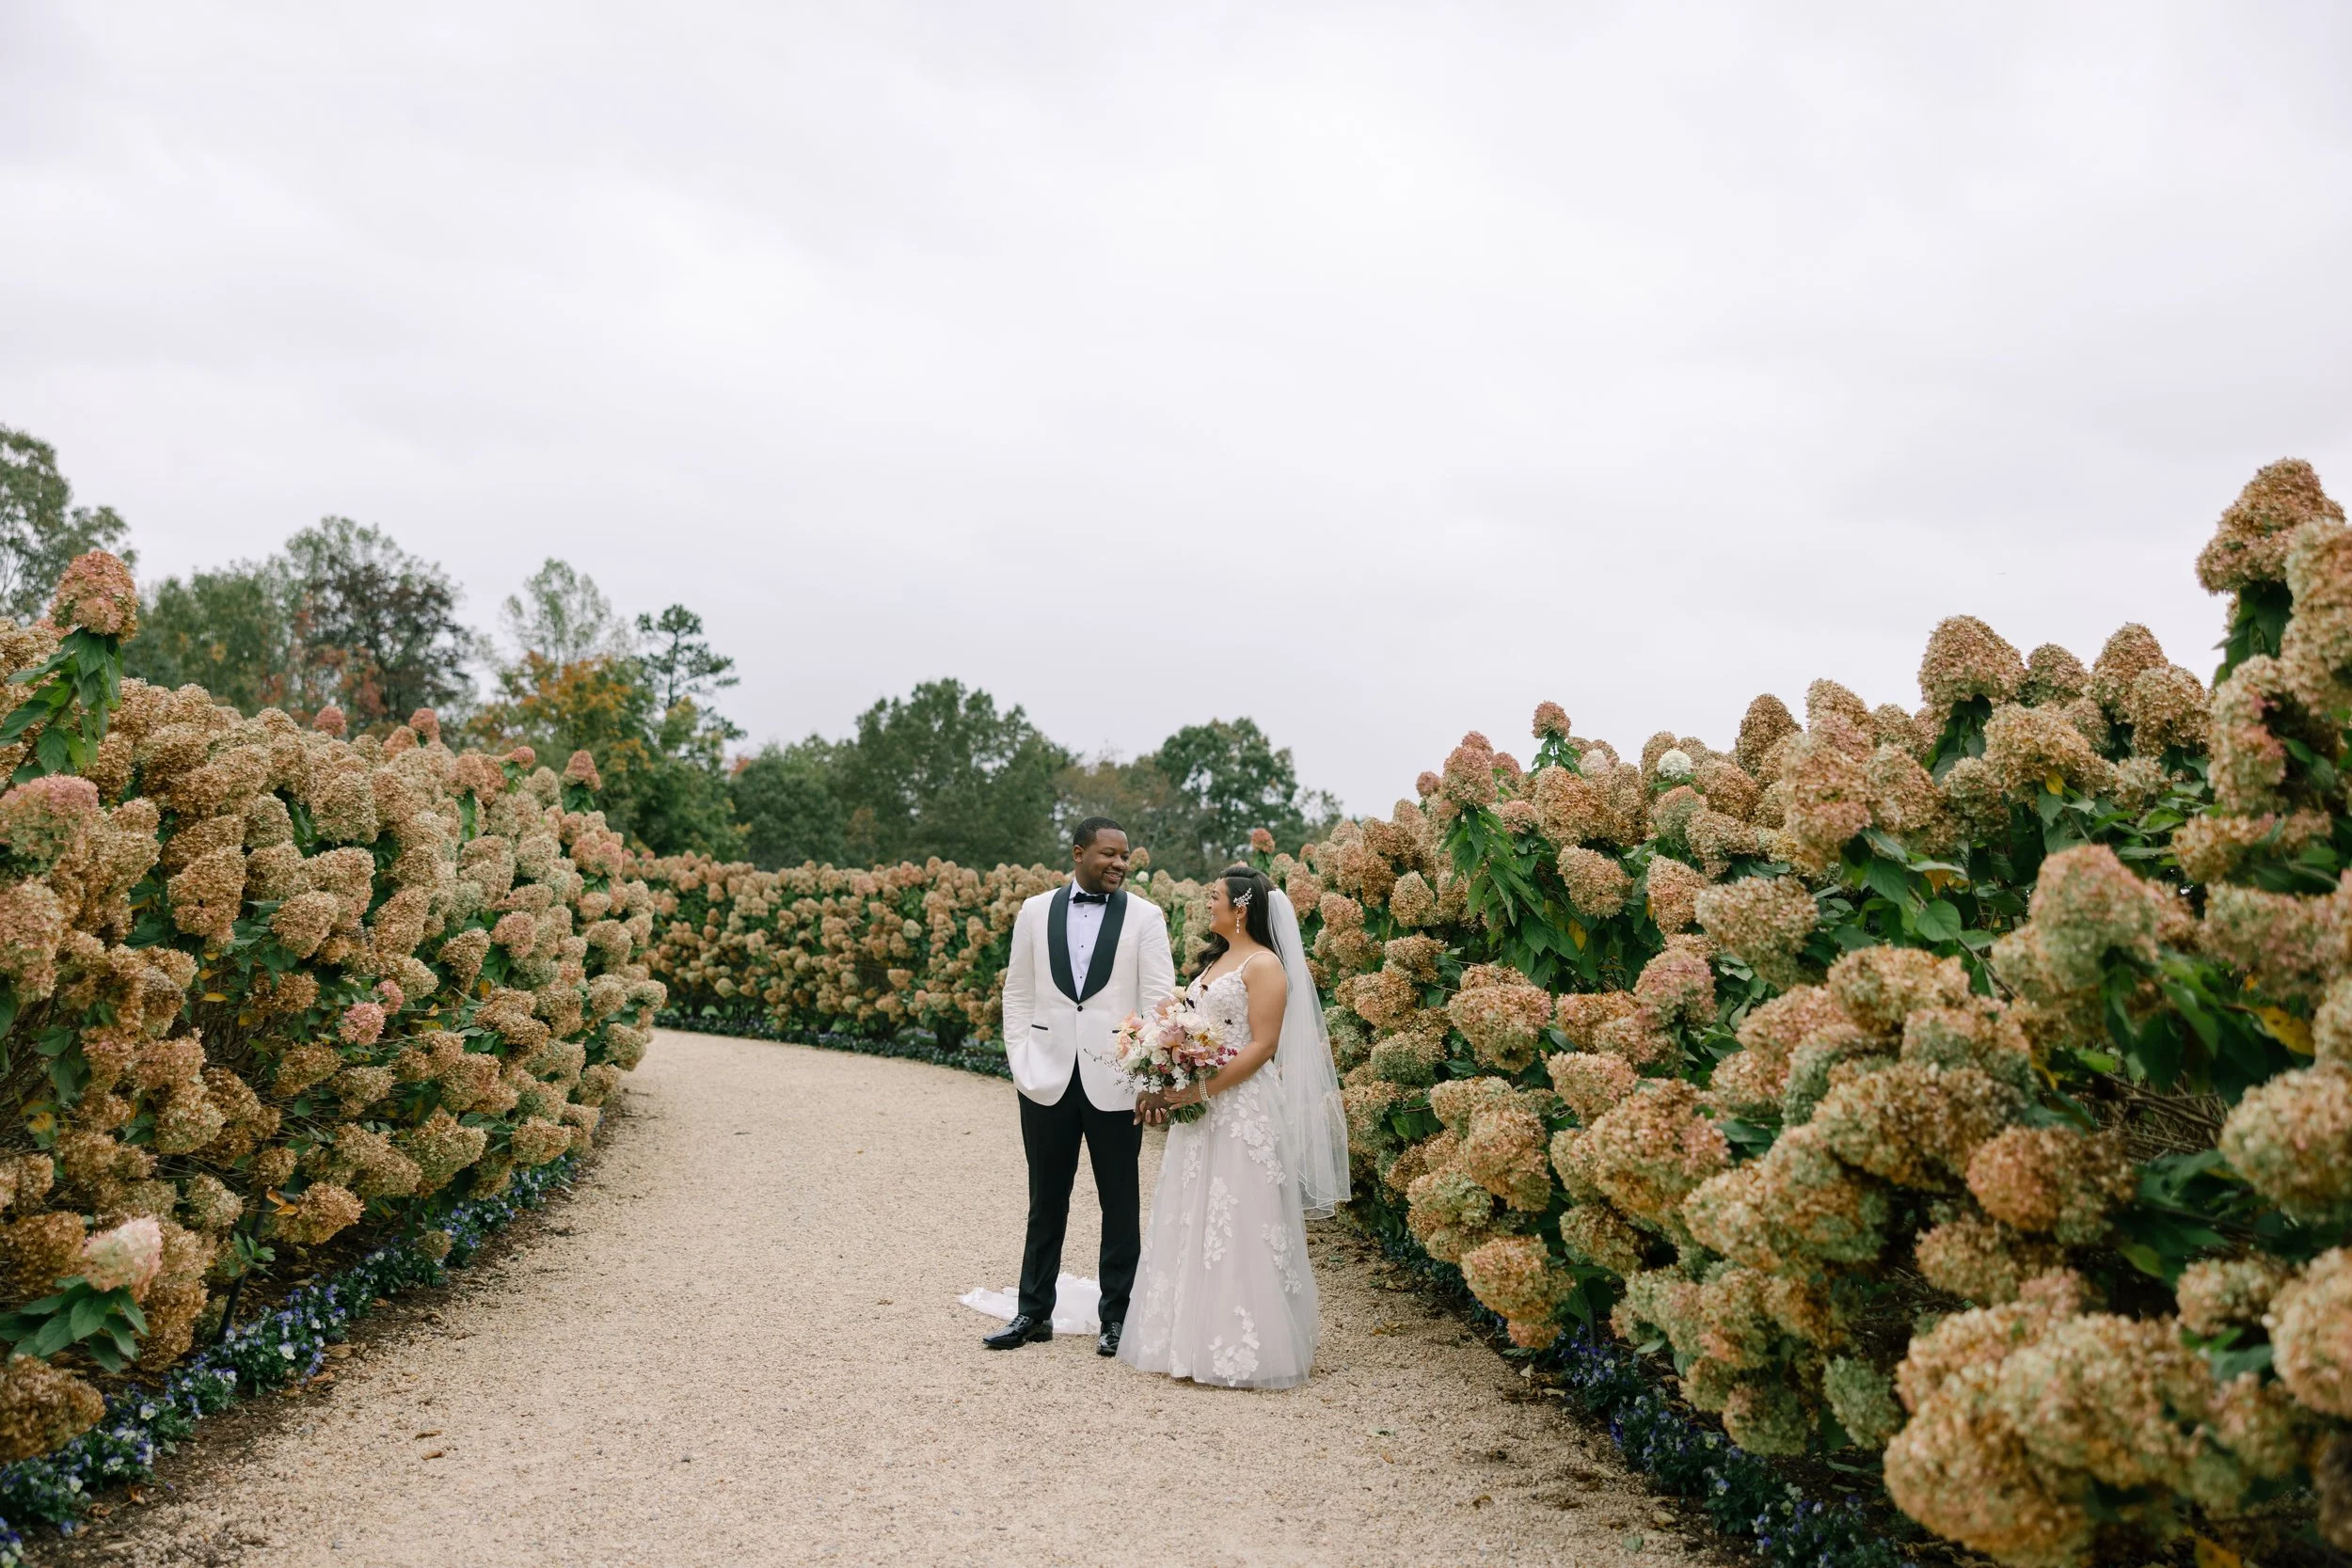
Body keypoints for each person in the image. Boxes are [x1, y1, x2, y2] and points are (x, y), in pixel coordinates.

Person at [1119, 863, 1350, 1389]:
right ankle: (1185, 1337)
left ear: (1241, 906)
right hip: (1202, 1107)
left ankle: (1247, 1348)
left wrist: (1199, 1089)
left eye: (1215, 895)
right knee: (1193, 1209)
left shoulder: (1266, 965)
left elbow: (1262, 1046)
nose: (1208, 902)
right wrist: (1167, 1060)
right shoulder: (1216, 961)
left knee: (1240, 1215)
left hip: (1242, 1106)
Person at [987, 816, 1176, 1357]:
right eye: (1109, 854)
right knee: (1045, 1200)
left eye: (1125, 857)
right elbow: (1017, 992)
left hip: (1116, 1080)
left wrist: (1151, 1078)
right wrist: (1022, 1061)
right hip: (1044, 1077)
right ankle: (1032, 1313)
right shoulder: (1034, 911)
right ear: (1078, 853)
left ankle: (1117, 1318)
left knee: (1120, 1202)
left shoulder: (1146, 917)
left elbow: (1160, 1004)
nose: (1120, 864)